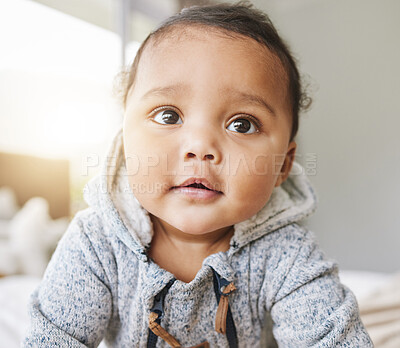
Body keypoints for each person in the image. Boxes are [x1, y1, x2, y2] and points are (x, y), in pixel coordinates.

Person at [24, 2, 373, 347]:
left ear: (282, 165)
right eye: (168, 116)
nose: (200, 147)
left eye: (242, 124)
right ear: (125, 140)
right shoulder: (96, 242)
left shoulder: (287, 254)